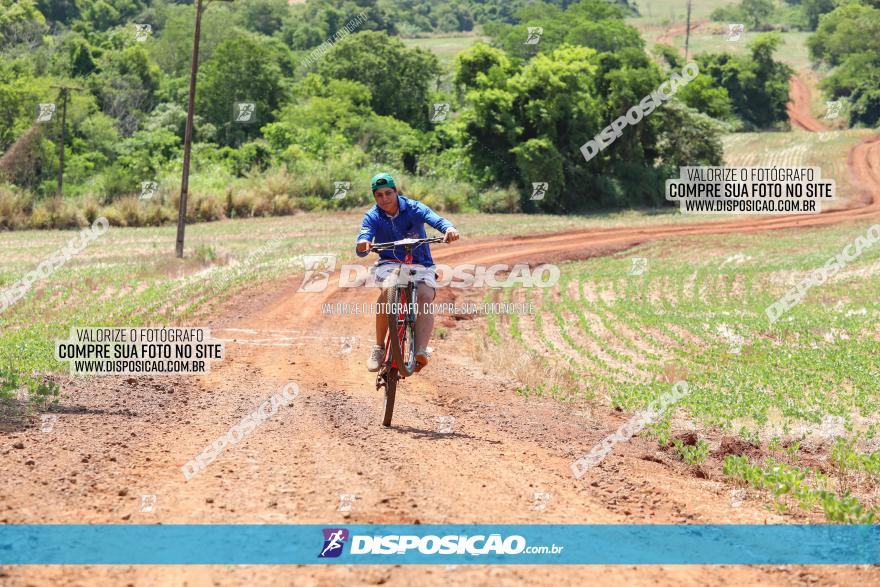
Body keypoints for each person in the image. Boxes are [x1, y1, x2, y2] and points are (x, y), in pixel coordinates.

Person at [355, 172, 459, 372]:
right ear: (375, 197)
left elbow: (435, 219)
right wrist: (363, 243)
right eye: (379, 195)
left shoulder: (414, 208)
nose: (384, 199)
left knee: (425, 296)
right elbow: (364, 236)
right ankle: (378, 347)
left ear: (395, 191)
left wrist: (448, 229)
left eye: (388, 193)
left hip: (421, 264)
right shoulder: (373, 216)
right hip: (389, 264)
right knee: (388, 291)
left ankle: (420, 350)